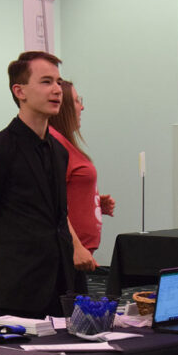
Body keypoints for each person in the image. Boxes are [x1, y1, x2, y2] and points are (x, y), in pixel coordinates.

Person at [0, 51, 74, 319]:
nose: (57, 90)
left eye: (59, 82)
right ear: (19, 91)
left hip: (60, 288)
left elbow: (58, 217)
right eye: (46, 82)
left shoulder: (59, 151)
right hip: (14, 289)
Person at [48, 80, 115, 293]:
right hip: (67, 256)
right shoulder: (54, 144)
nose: (82, 107)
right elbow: (52, 204)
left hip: (76, 257)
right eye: (77, 101)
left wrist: (92, 204)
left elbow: (66, 194)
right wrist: (75, 247)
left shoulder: (64, 143)